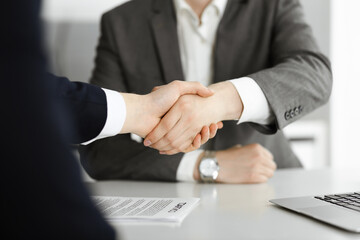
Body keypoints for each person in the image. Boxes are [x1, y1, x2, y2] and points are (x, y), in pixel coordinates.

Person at [2, 0, 221, 238]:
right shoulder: (121, 21)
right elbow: (19, 91)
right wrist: (206, 165)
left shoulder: (268, 10)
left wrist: (143, 109)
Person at [79, 0, 332, 183]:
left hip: (270, 182)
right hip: (171, 196)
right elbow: (98, 149)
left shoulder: (274, 5)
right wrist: (205, 165)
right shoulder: (121, 22)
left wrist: (216, 103)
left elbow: (314, 74)